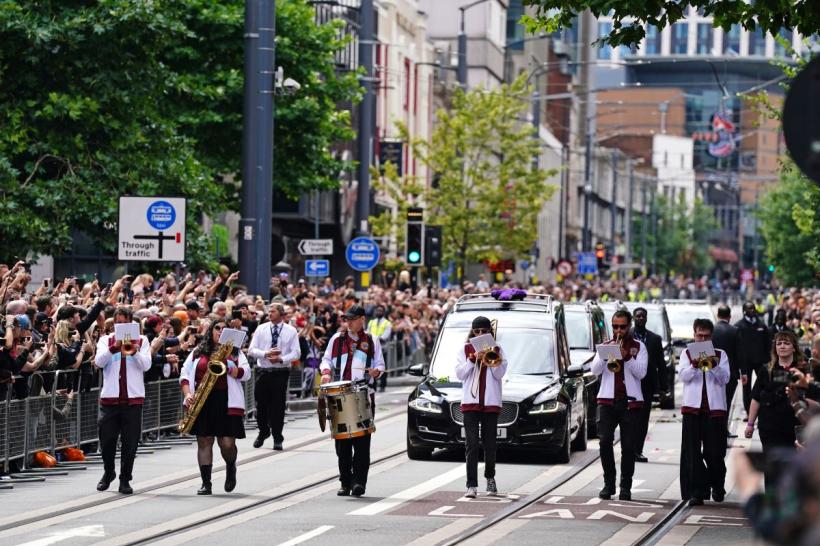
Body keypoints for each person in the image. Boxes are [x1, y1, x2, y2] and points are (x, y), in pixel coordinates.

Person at [319, 305, 384, 497]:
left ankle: (359, 483)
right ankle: (345, 482)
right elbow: (326, 359)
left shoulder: (372, 340)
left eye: (352, 319)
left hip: (363, 394)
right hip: (339, 394)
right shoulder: (336, 339)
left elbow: (380, 363)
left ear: (362, 319)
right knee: (342, 444)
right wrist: (325, 372)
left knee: (362, 442)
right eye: (346, 319)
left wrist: (376, 371)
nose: (348, 323)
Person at [180, 320, 251, 495]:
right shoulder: (198, 352)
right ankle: (206, 482)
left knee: (226, 443)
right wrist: (188, 394)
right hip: (203, 400)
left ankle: (230, 466)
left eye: (223, 329)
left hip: (226, 401)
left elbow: (246, 373)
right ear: (210, 331)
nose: (220, 331)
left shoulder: (235, 352)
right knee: (204, 441)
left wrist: (228, 366)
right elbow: (184, 373)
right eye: (217, 328)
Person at [591, 310, 648, 501]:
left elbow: (641, 373)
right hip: (607, 401)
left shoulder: (639, 347)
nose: (619, 330)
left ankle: (625, 486)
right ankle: (609, 484)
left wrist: (627, 358)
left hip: (630, 403)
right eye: (615, 326)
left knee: (628, 447)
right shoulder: (606, 346)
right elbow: (594, 370)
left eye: (622, 326)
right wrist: (605, 355)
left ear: (629, 325)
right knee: (604, 441)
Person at [93, 308, 151, 494]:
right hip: (110, 400)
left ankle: (125, 478)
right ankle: (108, 471)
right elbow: (99, 362)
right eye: (118, 323)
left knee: (130, 443)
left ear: (131, 323)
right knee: (107, 440)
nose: (121, 326)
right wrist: (113, 347)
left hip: (132, 400)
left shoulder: (142, 341)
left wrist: (134, 352)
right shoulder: (105, 340)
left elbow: (146, 365)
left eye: (124, 322)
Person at [677, 318, 731, 506]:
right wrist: (694, 365)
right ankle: (697, 491)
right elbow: (683, 376)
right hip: (692, 409)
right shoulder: (686, 353)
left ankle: (717, 484)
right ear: (694, 335)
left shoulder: (721, 354)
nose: (702, 339)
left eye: (706, 336)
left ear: (711, 337)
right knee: (692, 453)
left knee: (714, 453)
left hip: (714, 410)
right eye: (699, 335)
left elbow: (725, 379)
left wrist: (713, 365)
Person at [745, 331, 806, 490]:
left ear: (794, 347)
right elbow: (756, 398)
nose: (782, 346)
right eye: (779, 343)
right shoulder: (766, 370)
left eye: (786, 343)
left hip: (794, 428)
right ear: (774, 348)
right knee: (772, 469)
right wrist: (750, 424)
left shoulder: (802, 370)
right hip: (770, 428)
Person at [455, 316, 507, 498]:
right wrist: (472, 360)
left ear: (489, 332)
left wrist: (490, 360)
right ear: (472, 332)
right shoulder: (465, 349)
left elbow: (500, 374)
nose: (480, 334)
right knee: (471, 444)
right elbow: (460, 374)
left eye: (484, 331)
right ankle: (471, 484)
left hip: (490, 403)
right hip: (471, 402)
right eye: (477, 332)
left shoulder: (498, 349)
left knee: (490, 444)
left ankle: (490, 478)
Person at [248, 304, 300, 450]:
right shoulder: (261, 328)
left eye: (273, 311)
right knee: (261, 405)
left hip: (280, 373)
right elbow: (252, 350)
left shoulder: (291, 331)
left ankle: (278, 437)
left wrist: (281, 359)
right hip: (263, 371)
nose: (269, 314)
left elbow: (296, 352)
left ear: (281, 314)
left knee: (278, 406)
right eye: (269, 311)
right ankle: (264, 431)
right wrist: (266, 354)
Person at [630, 307, 664, 463]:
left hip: (647, 386)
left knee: (643, 419)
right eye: (638, 316)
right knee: (630, 420)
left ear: (647, 318)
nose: (641, 318)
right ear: (633, 318)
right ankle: (629, 449)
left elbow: (661, 365)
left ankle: (638, 450)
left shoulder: (655, 339)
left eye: (643, 316)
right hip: (629, 383)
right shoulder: (625, 336)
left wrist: (663, 388)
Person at [735, 302, 771, 418]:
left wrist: (768, 360)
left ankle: (763, 410)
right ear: (744, 310)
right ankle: (748, 412)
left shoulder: (761, 325)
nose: (752, 310)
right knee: (746, 388)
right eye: (749, 308)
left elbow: (768, 344)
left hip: (760, 361)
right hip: (745, 362)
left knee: (764, 385)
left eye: (753, 308)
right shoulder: (738, 326)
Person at [712, 306, 740, 438]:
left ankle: (714, 429)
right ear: (729, 316)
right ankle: (723, 429)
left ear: (718, 315)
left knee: (713, 401)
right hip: (730, 372)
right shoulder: (735, 331)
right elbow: (740, 353)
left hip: (712, 371)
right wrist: (743, 372)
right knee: (726, 402)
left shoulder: (711, 330)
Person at [366, 305, 392, 392]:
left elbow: (385, 336)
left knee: (382, 366)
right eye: (377, 311)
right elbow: (367, 333)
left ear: (383, 312)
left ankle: (383, 385)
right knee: (372, 366)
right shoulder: (371, 322)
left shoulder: (387, 323)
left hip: (382, 347)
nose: (378, 312)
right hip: (372, 348)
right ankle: (373, 385)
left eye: (380, 311)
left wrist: (374, 338)